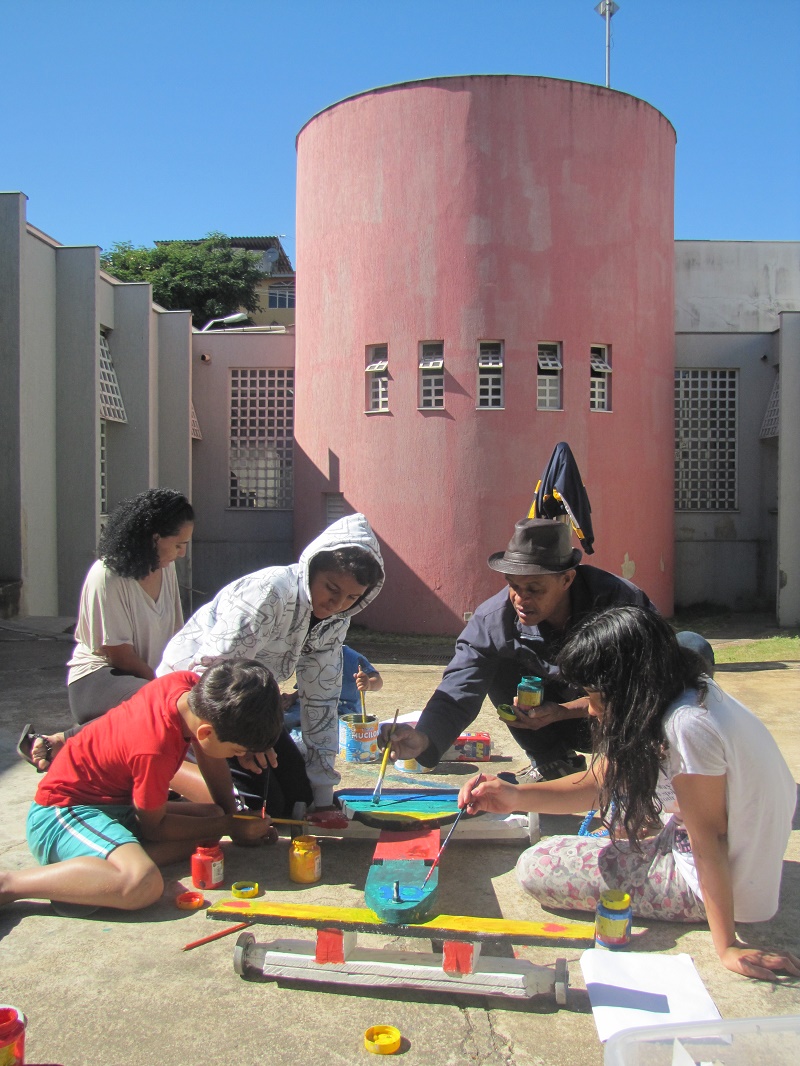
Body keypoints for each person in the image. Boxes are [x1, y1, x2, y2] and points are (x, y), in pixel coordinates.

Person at [459, 606, 799, 983]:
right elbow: (600, 781)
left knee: (537, 864)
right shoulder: (682, 691)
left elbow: (710, 838)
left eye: (595, 696)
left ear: (631, 689)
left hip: (717, 878)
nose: (590, 709)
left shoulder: (687, 726)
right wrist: (514, 795)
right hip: (718, 851)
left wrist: (727, 946)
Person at [383, 518, 663, 781]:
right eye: (513, 586)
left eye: (534, 589)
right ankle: (552, 761)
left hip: (620, 719)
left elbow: (649, 683)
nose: (520, 599)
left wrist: (563, 711)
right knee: (496, 662)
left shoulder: (620, 602)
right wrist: (425, 736)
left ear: (567, 580)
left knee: (690, 647)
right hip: (547, 725)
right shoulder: (493, 620)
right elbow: (460, 686)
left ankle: (648, 765)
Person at [0, 660, 280, 915]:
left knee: (211, 821)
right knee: (142, 883)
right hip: (62, 814)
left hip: (114, 808)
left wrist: (233, 820)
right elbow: (154, 828)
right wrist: (230, 826)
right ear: (206, 733)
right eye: (235, 750)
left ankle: (95, 876)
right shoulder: (154, 748)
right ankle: (11, 885)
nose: (234, 756)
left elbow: (209, 755)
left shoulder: (189, 690)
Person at [157, 512, 384, 812]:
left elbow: (321, 698)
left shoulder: (336, 621)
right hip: (198, 703)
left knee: (300, 798)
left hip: (249, 706)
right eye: (331, 589)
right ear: (312, 568)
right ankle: (169, 771)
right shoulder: (270, 592)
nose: (338, 605)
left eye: (352, 598)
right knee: (263, 808)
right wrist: (247, 743)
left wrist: (323, 793)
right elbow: (211, 677)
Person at [21, 488, 194, 771]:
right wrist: (164, 687)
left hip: (146, 682)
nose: (182, 553)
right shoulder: (107, 575)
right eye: (178, 545)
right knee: (167, 706)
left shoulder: (167, 570)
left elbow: (176, 636)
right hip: (98, 680)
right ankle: (60, 742)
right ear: (154, 538)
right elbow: (118, 655)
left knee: (180, 704)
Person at [283, 645, 383, 731]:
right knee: (282, 720)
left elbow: (378, 681)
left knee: (338, 731)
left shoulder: (350, 657)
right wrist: (292, 698)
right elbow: (308, 686)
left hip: (341, 711)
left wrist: (368, 684)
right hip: (308, 705)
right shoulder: (308, 655)